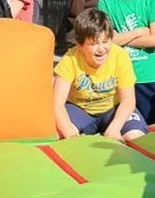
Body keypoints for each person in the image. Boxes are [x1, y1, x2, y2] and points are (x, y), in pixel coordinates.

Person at [53, 7, 149, 142]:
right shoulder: (70, 60)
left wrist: (114, 128)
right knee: (57, 134)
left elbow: (128, 100)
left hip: (113, 108)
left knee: (135, 136)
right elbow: (57, 104)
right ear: (80, 45)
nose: (101, 49)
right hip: (80, 109)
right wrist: (70, 134)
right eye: (94, 44)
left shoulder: (120, 56)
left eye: (105, 42)